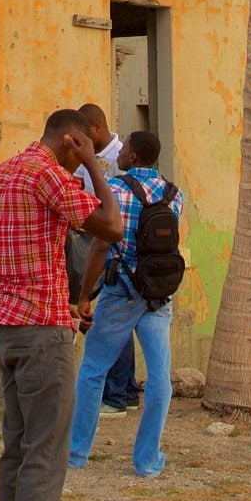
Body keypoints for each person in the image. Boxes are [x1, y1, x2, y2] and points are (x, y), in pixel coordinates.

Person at [0, 108, 123, 501]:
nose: (82, 161)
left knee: (15, 451)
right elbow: (111, 226)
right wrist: (96, 167)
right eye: (83, 149)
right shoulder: (49, 175)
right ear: (73, 140)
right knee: (44, 456)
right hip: (44, 333)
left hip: (6, 330)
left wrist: (10, 289)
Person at [68, 130, 186, 478]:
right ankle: (147, 461)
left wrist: (85, 295)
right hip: (158, 293)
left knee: (92, 371)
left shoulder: (117, 191)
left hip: (121, 292)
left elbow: (101, 247)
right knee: (159, 375)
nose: (119, 153)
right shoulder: (173, 194)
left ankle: (76, 453)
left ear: (133, 157)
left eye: (125, 149)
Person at [71, 103, 138, 416]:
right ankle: (126, 387)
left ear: (96, 128)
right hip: (89, 237)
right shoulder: (87, 158)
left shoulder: (122, 156)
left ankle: (117, 392)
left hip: (115, 245)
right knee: (110, 317)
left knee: (110, 318)